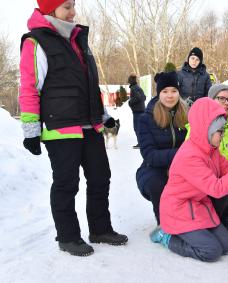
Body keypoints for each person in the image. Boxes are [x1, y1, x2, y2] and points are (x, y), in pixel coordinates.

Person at [18, 0, 128, 257]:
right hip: (61, 127)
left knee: (101, 177)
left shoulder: (78, 39)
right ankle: (67, 237)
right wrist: (31, 130)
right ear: (50, 9)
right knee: (67, 183)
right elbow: (29, 88)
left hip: (90, 125)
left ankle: (100, 228)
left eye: (74, 5)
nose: (73, 12)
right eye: (67, 6)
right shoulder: (36, 42)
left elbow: (91, 85)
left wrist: (104, 116)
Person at [150, 97, 228, 262]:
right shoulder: (190, 156)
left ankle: (197, 233)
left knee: (227, 245)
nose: (223, 136)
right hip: (178, 210)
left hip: (198, 206)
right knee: (211, 251)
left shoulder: (211, 149)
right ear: (207, 129)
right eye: (220, 131)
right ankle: (166, 236)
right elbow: (216, 189)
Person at [186, 84, 228, 228]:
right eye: (221, 98)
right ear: (211, 100)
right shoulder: (199, 126)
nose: (226, 103)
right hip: (205, 183)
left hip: (226, 175)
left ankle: (221, 215)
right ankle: (211, 218)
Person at [136, 71, 188, 227]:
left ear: (179, 92)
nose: (169, 95)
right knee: (157, 183)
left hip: (184, 167)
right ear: (159, 93)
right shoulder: (146, 119)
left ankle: (193, 219)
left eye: (173, 91)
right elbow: (149, 155)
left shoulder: (188, 114)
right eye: (165, 91)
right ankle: (164, 224)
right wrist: (180, 154)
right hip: (153, 169)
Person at [128, 73, 146, 149]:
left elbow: (138, 97)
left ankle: (141, 143)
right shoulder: (138, 87)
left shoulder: (133, 88)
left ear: (130, 80)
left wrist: (130, 102)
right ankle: (142, 142)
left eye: (129, 80)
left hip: (137, 111)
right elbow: (144, 97)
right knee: (140, 128)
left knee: (137, 128)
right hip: (141, 110)